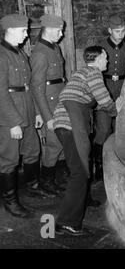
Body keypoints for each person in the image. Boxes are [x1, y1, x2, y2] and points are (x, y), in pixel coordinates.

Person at [53, 45, 119, 236]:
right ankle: (66, 222)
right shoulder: (94, 72)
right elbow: (104, 100)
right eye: (105, 57)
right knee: (80, 171)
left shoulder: (80, 72)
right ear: (97, 59)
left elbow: (91, 102)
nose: (107, 61)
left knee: (82, 164)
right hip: (71, 124)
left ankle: (84, 198)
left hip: (64, 123)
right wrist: (117, 110)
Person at [0, 14, 44, 218]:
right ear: (9, 30)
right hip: (9, 115)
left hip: (26, 106)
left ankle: (32, 187)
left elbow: (28, 87)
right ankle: (10, 201)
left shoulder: (20, 53)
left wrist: (35, 111)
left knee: (32, 150)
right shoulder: (1, 56)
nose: (27, 35)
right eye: (23, 31)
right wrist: (13, 123)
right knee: (9, 159)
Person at [92, 14, 125, 182]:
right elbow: (94, 73)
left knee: (120, 129)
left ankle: (117, 164)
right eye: (117, 31)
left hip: (122, 90)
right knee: (103, 130)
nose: (121, 34)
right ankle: (98, 165)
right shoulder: (100, 48)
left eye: (123, 30)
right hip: (104, 89)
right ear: (109, 30)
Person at [30, 14, 67, 197]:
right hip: (49, 104)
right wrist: (46, 117)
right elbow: (37, 89)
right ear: (47, 30)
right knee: (53, 144)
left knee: (61, 142)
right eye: (59, 30)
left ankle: (58, 179)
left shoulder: (55, 47)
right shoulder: (39, 53)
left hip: (60, 100)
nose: (61, 33)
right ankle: (46, 182)